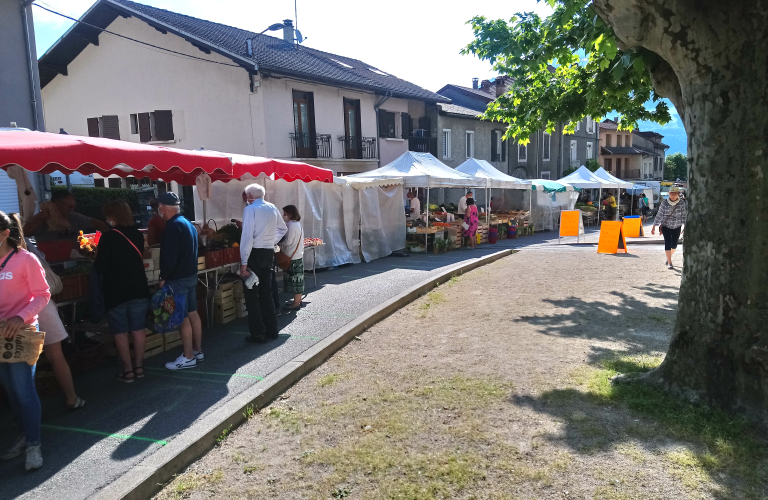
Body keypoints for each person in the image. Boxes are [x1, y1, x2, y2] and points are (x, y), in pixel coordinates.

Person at [0, 211, 50, 471]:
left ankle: (33, 444)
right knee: (11, 391)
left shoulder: (25, 259)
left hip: (22, 333)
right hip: (0, 335)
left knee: (23, 389)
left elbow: (42, 294)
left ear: (5, 234)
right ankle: (23, 436)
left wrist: (21, 317)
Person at [94, 200, 151, 381]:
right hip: (138, 287)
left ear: (112, 216)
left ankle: (127, 370)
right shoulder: (137, 235)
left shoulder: (108, 238)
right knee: (138, 329)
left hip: (116, 290)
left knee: (120, 331)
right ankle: (139, 367)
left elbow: (101, 266)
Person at [24, 238, 84, 409]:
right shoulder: (28, 252)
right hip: (41, 305)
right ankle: (71, 398)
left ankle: (25, 412)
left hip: (15, 312)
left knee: (21, 364)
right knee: (55, 355)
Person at [155, 193, 203, 370]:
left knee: (183, 318)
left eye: (159, 206)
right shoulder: (188, 223)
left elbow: (169, 258)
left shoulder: (172, 226)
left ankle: (188, 357)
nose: (158, 210)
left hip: (178, 279)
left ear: (164, 207)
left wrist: (162, 278)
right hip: (190, 276)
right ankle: (197, 351)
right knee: (193, 314)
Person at [240, 183, 287, 343]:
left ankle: (258, 333)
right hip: (267, 252)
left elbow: (246, 236)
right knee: (266, 292)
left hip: (254, 252)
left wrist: (244, 262)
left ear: (250, 196)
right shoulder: (272, 207)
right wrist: (270, 241)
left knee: (252, 293)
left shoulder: (250, 209)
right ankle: (272, 329)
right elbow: (283, 229)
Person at [23, 190, 109, 243]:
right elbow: (23, 234)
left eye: (73, 207)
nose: (72, 210)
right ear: (57, 204)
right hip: (49, 262)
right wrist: (38, 220)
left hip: (73, 260)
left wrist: (107, 243)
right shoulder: (41, 218)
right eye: (70, 207)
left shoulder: (74, 217)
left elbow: (100, 225)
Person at [651, 186, 687, 270]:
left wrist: (685, 227)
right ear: (669, 193)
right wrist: (654, 227)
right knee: (668, 242)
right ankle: (670, 262)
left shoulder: (681, 203)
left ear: (678, 194)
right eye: (672, 194)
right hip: (666, 226)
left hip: (677, 226)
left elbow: (683, 215)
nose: (673, 196)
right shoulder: (664, 203)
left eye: (675, 194)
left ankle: (668, 257)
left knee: (674, 245)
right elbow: (659, 215)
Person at [280, 205, 304, 311]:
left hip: (292, 256)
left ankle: (296, 303)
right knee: (298, 279)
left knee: (294, 280)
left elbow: (288, 242)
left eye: (284, 214)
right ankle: (298, 300)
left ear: (289, 214)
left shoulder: (290, 225)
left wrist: (279, 245)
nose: (283, 216)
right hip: (298, 255)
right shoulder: (298, 224)